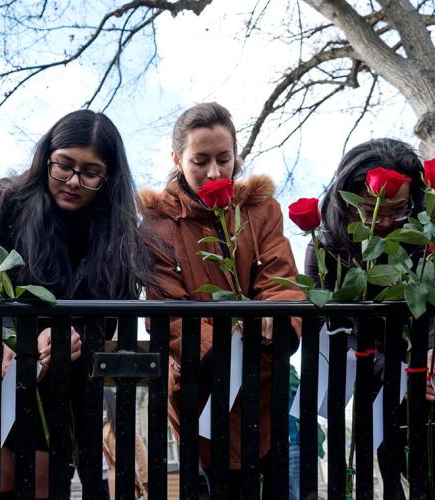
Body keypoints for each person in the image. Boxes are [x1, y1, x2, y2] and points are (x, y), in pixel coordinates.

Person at [0, 109, 154, 498]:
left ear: (108, 178)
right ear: (46, 158)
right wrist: (14, 339)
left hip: (67, 380)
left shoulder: (120, 233)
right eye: (64, 166)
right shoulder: (7, 202)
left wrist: (66, 339)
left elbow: (108, 320)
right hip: (1, 367)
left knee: (46, 482)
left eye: (90, 172)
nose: (73, 181)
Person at [139, 102, 303, 498]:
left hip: (266, 384)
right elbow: (166, 313)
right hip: (203, 390)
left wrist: (276, 315)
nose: (214, 172)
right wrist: (229, 342)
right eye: (200, 160)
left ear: (236, 157)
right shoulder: (157, 226)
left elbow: (280, 277)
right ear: (177, 159)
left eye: (223, 159)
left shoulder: (261, 210)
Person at [303, 138, 435, 498]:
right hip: (379, 388)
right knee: (394, 480)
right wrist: (395, 368)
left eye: (398, 211)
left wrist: (434, 351)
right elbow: (332, 328)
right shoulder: (326, 247)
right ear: (347, 199)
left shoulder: (433, 232)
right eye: (371, 211)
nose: (384, 222)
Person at [102, 388, 148, 500]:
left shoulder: (121, 422)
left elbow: (140, 452)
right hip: (106, 478)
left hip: (121, 477)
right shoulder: (106, 423)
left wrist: (145, 481)